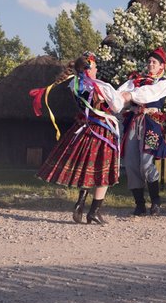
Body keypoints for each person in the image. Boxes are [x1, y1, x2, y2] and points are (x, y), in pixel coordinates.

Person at [31, 52, 126, 225]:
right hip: (102, 132)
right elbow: (117, 106)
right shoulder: (101, 86)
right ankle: (94, 212)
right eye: (95, 67)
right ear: (89, 70)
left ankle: (80, 203)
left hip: (84, 128)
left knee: (88, 169)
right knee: (103, 172)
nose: (97, 69)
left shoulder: (75, 85)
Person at [117, 47, 166, 217]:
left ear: (161, 66)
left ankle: (156, 202)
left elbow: (147, 95)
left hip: (151, 122)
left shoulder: (163, 82)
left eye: (154, 62)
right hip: (134, 122)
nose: (150, 64)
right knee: (132, 163)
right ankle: (139, 204)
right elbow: (119, 94)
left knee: (146, 163)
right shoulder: (135, 80)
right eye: (149, 61)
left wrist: (130, 96)